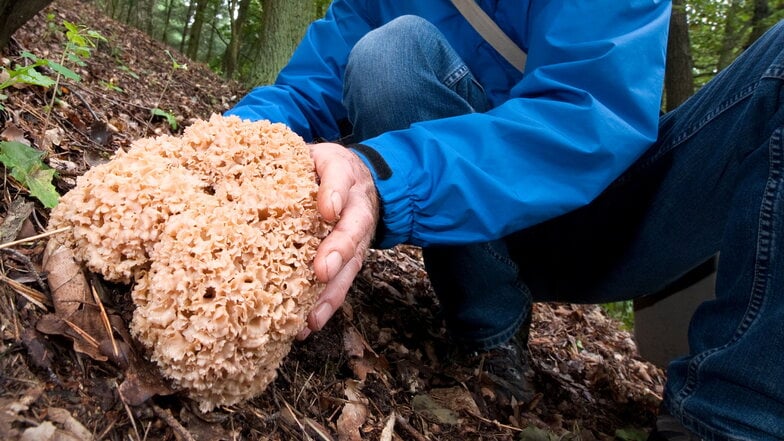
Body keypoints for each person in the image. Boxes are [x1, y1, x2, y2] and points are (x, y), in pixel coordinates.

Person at [226, 1, 784, 439]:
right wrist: (218, 151)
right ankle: (489, 327)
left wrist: (382, 172)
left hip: (610, 221)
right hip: (465, 220)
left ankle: (734, 419)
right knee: (390, 51)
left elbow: (588, 116)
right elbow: (303, 92)